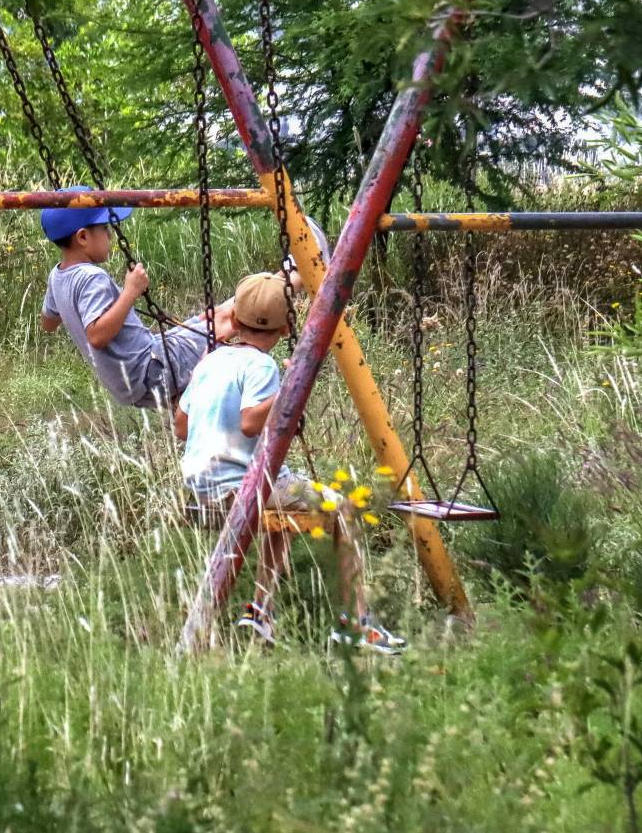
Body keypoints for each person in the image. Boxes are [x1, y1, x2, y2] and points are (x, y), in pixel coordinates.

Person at [174, 271, 406, 654]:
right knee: (346, 509)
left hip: (203, 485)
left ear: (236, 318)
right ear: (285, 328)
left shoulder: (211, 361)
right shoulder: (263, 367)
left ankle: (261, 609)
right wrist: (288, 398)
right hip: (240, 488)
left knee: (282, 500)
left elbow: (181, 427)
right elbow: (251, 421)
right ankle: (357, 621)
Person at [39, 191, 233, 409]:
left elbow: (48, 323)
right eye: (104, 229)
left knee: (206, 318)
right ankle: (277, 282)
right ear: (83, 237)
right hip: (150, 372)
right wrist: (130, 292)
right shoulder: (92, 277)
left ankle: (190, 401)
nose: (110, 236)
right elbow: (97, 336)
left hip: (133, 380)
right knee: (226, 318)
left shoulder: (57, 276)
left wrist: (72, 309)